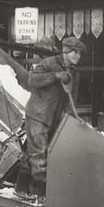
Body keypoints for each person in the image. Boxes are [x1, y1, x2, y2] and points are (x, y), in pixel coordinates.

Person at [24, 36, 86, 197]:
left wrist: (71, 120)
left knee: (40, 153)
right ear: (66, 51)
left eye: (80, 53)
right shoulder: (49, 63)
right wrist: (55, 76)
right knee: (39, 156)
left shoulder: (74, 73)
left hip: (55, 118)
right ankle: (42, 195)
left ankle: (22, 188)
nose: (78, 56)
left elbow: (72, 98)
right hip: (38, 115)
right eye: (76, 53)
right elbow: (32, 80)